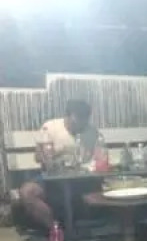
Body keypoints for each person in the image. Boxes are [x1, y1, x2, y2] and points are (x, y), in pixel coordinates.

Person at [18, 99, 99, 232]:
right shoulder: (50, 128)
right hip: (51, 178)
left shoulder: (92, 132)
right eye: (77, 119)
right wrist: (49, 156)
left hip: (81, 179)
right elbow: (37, 157)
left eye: (84, 119)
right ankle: (56, 230)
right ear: (67, 115)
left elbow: (98, 159)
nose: (80, 123)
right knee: (27, 192)